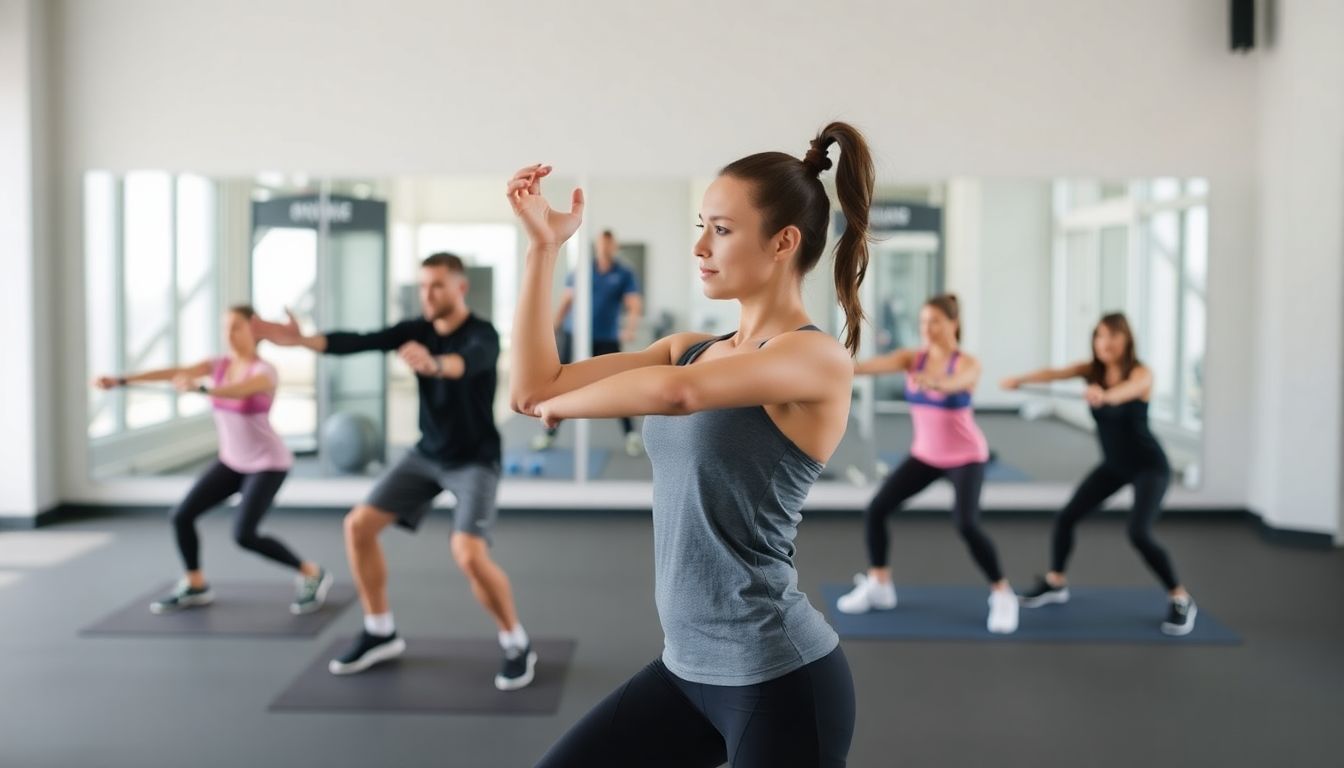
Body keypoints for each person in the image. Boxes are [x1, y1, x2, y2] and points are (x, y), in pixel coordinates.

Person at [510, 121, 872, 767]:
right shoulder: (693, 347)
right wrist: (543, 250)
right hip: (685, 670)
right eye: (699, 226)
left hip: (779, 677)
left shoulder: (815, 358)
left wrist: (556, 407)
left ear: (784, 241)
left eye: (722, 230)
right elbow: (537, 382)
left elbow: (677, 394)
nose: (701, 246)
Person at [251, 253, 536, 689]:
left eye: (437, 285)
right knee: (358, 526)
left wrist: (434, 364)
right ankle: (380, 630)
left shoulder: (482, 333)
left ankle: (517, 642)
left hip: (474, 459)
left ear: (460, 288)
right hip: (425, 454)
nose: (428, 294)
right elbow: (359, 340)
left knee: (469, 555)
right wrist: (303, 341)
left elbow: (468, 362)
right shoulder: (415, 329)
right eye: (423, 286)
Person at [94, 305, 331, 616]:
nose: (229, 334)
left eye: (236, 326)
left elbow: (236, 391)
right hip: (232, 462)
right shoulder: (218, 364)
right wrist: (122, 380)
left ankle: (311, 572)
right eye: (225, 327)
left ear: (252, 330)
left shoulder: (264, 371)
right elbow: (173, 372)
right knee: (182, 516)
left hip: (268, 464)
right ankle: (195, 583)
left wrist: (202, 387)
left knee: (244, 535)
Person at [1003, 312, 1197, 636]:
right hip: (1114, 465)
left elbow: (1129, 390)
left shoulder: (1141, 373)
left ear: (1127, 340)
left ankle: (1180, 598)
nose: (1105, 343)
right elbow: (1055, 373)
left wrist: (1106, 396)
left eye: (1113, 336)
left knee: (1139, 533)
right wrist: (1019, 381)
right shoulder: (1090, 369)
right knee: (1066, 518)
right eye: (1100, 336)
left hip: (1149, 466)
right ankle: (1056, 583)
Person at [836, 294, 1017, 634]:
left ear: (954, 324)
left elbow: (958, 382)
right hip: (925, 455)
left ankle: (1003, 593)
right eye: (923, 322)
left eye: (935, 321)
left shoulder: (966, 363)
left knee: (966, 524)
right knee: (877, 509)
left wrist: (937, 383)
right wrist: (828, 364)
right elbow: (863, 368)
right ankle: (880, 584)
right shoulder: (911, 358)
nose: (928, 329)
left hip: (966, 457)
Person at [532, 229, 645, 457]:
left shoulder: (623, 273)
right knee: (562, 384)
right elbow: (567, 301)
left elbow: (634, 304)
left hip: (607, 338)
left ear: (615, 247)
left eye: (609, 245)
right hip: (576, 336)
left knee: (619, 385)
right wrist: (552, 328)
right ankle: (548, 432)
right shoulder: (582, 270)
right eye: (601, 245)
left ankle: (630, 435)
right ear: (597, 246)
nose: (605, 248)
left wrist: (630, 328)